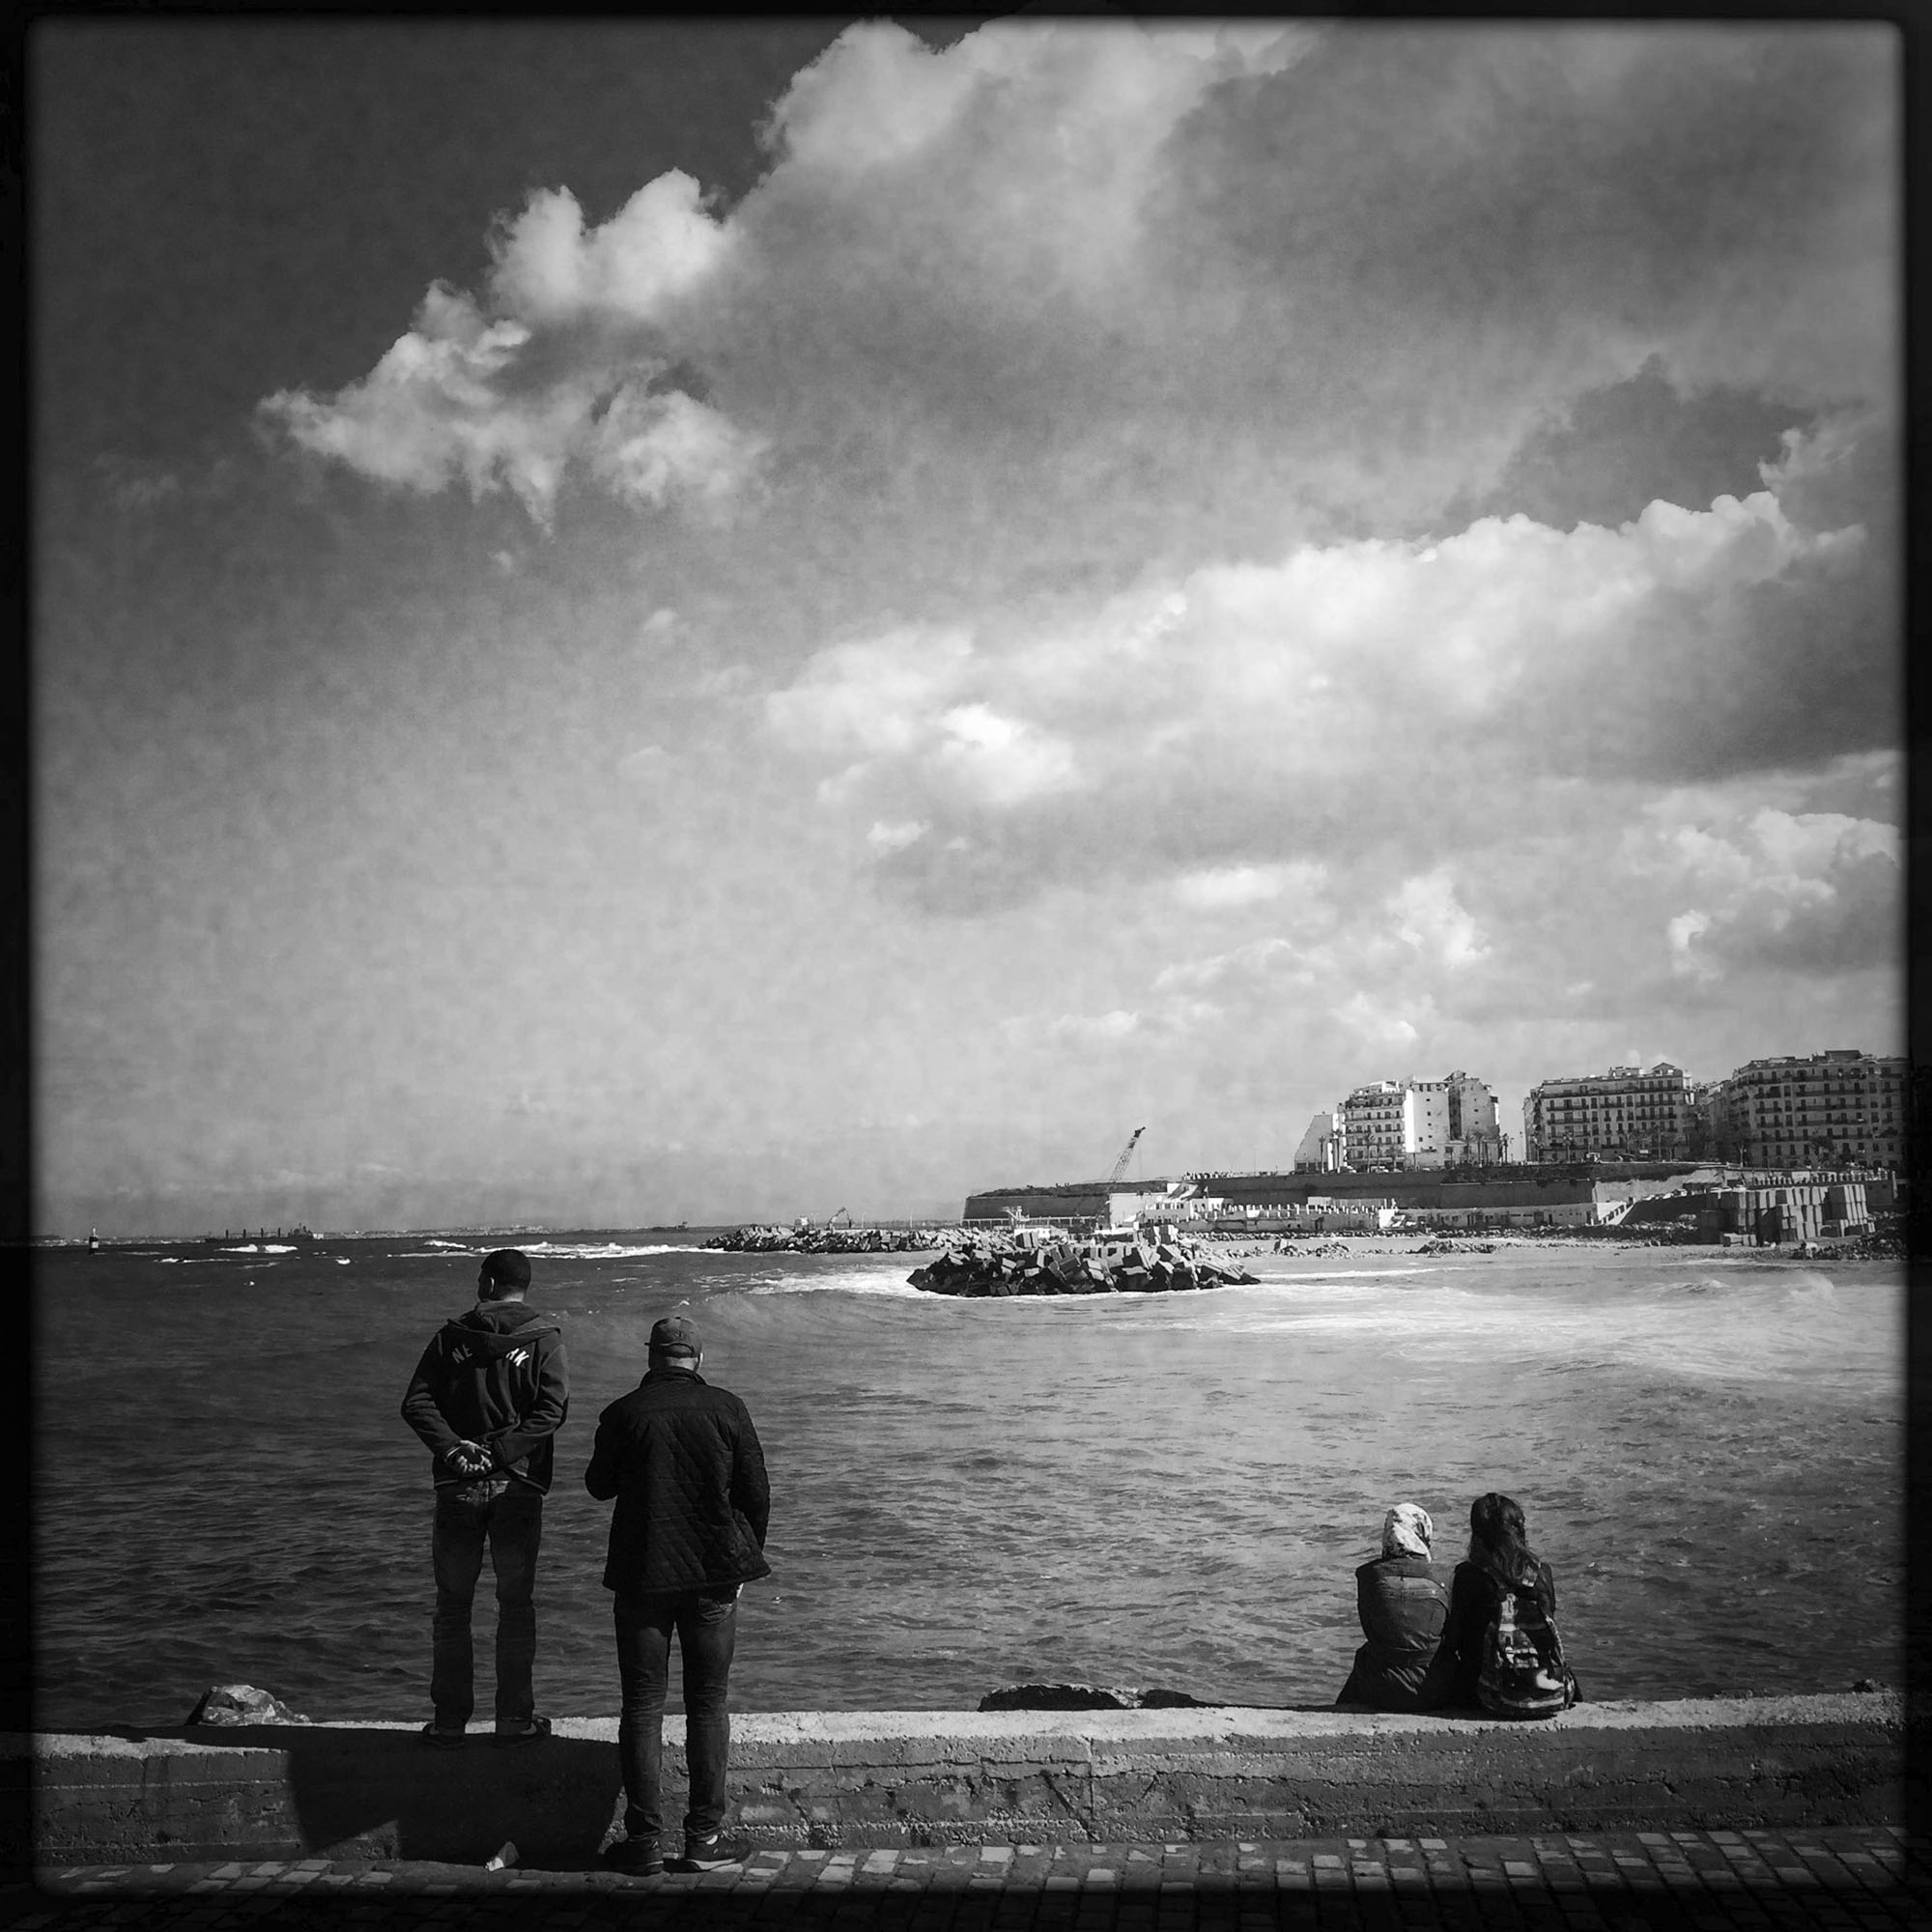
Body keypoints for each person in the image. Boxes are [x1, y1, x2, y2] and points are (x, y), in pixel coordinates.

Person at [586, 1313, 771, 1877]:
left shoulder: (622, 1413)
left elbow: (599, 1486)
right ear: (699, 1358)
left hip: (643, 1578)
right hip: (714, 1577)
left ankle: (642, 1843)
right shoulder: (727, 1407)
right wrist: (745, 1561)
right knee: (707, 1704)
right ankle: (704, 1839)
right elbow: (756, 1492)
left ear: (652, 1358)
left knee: (642, 1708)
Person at [400, 1248, 569, 1747]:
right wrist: (501, 1454)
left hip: (458, 1487)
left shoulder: (453, 1337)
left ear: (492, 1282)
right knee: (515, 1605)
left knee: (453, 1607)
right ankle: (514, 1720)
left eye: (480, 1275)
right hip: (518, 1486)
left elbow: (416, 1402)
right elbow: (552, 1410)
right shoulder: (545, 1340)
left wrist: (456, 1451)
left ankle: (450, 1722)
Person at [1431, 1492, 1579, 1713]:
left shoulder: (1468, 1575)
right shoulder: (1541, 1573)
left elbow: (1455, 1641)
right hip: (1547, 1690)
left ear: (1477, 1534)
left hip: (1488, 1693)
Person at [1334, 1502, 1452, 1712]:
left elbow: (1370, 1629)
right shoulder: (1445, 1577)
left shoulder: (1369, 1576)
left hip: (1380, 1686)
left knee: (1365, 1656)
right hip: (1435, 1686)